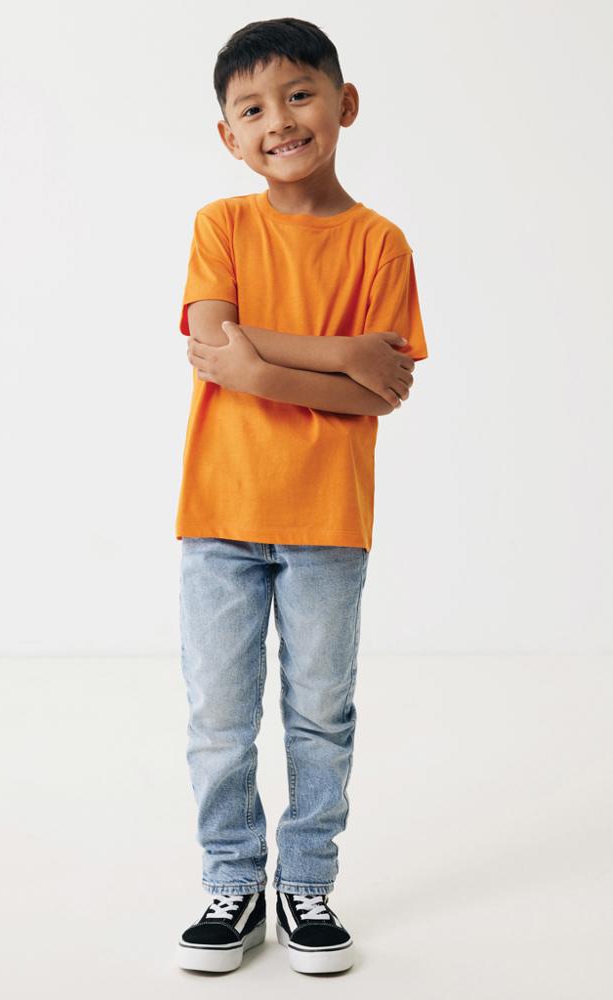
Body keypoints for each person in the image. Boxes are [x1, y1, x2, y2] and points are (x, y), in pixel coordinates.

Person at [174, 17, 428, 976]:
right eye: (251, 109)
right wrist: (338, 356)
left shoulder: (380, 244)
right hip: (219, 516)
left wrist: (260, 366)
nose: (277, 120)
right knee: (219, 718)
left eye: (297, 95)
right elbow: (211, 342)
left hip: (327, 521)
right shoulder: (222, 225)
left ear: (343, 104)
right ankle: (231, 879)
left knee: (322, 712)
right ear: (227, 135)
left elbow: (383, 391)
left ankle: (307, 882)